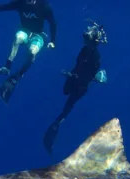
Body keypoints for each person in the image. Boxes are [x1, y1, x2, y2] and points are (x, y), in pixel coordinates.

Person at [0, 0, 57, 104]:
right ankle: (7, 66)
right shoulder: (20, 3)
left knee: (32, 52)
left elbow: (53, 23)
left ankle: (19, 75)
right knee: (18, 38)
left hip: (39, 35)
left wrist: (52, 41)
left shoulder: (44, 6)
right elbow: (3, 7)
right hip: (25, 30)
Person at [43, 20, 108, 155]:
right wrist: (71, 74)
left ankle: (58, 123)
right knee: (65, 91)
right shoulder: (84, 50)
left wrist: (73, 76)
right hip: (74, 78)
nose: (84, 39)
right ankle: (58, 120)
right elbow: (78, 65)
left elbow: (87, 77)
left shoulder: (96, 58)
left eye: (87, 38)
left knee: (69, 104)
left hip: (81, 85)